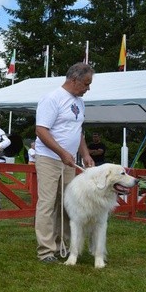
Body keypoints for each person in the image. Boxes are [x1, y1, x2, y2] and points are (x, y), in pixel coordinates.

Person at [34, 62, 95, 263]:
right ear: (73, 79)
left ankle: (62, 245)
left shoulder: (80, 102)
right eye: (86, 83)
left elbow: (78, 132)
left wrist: (85, 154)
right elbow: (41, 130)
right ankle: (45, 250)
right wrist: (61, 153)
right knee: (47, 203)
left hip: (68, 161)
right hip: (49, 159)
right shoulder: (52, 99)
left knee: (67, 204)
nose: (88, 88)